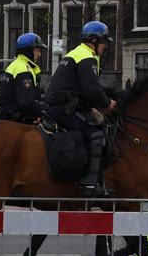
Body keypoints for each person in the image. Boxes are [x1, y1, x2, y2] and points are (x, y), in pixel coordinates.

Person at [44, 20, 117, 196]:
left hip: (64, 105)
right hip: (63, 108)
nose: (105, 46)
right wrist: (108, 104)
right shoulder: (86, 58)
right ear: (94, 40)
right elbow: (91, 90)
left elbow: (91, 88)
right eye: (104, 42)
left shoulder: (78, 54)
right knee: (96, 136)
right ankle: (90, 184)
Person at [0, 33, 47, 124]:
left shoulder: (16, 65)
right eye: (37, 50)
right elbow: (26, 102)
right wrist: (46, 108)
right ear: (28, 51)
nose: (40, 55)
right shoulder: (23, 69)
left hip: (8, 117)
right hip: (16, 121)